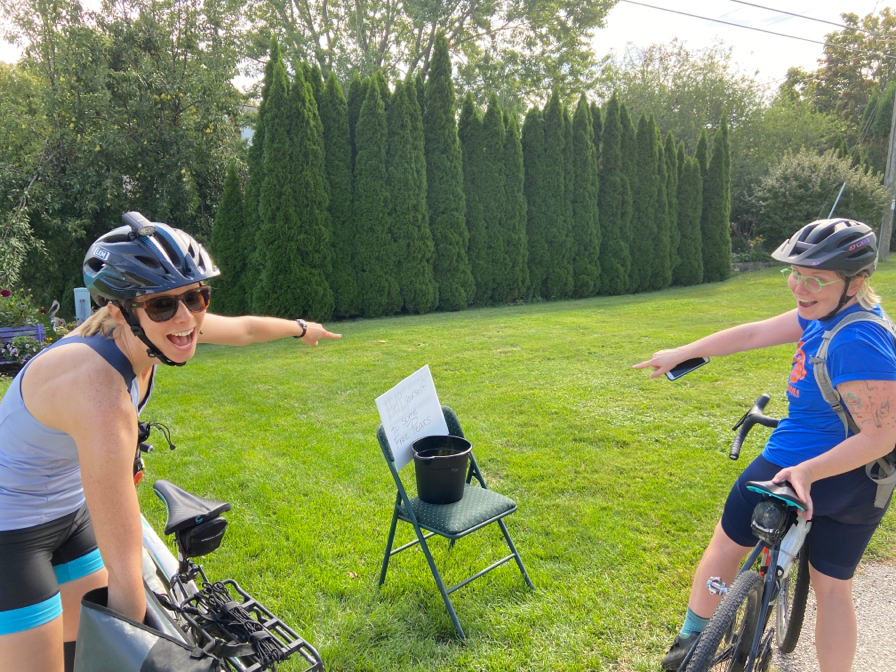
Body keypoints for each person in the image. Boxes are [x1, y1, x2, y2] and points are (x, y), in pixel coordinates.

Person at [0, 212, 341, 672]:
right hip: (11, 531)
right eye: (162, 306)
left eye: (197, 297)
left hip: (71, 511)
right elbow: (126, 581)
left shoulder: (156, 334)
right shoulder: (99, 391)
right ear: (121, 310)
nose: (186, 318)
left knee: (84, 652)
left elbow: (242, 329)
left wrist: (302, 328)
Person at [634, 219, 896, 672]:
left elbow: (884, 432)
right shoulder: (831, 314)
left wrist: (808, 472)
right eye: (795, 273)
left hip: (798, 468)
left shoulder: (854, 340)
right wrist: (685, 352)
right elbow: (755, 333)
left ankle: (688, 646)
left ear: (857, 282)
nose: (800, 286)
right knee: (833, 589)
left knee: (724, 546)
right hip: (864, 483)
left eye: (817, 278)